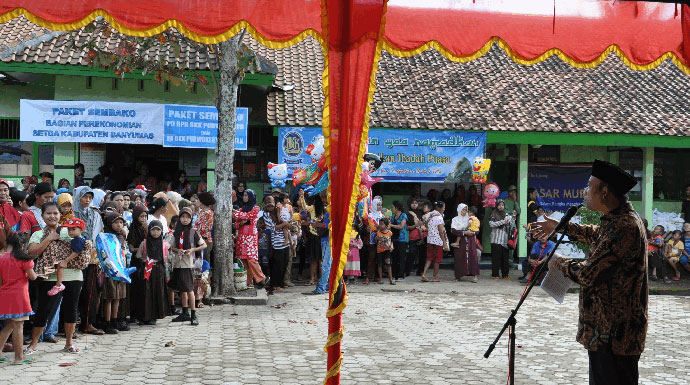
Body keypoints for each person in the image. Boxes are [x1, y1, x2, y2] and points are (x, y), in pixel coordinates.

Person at [533, 159, 647, 385]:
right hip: (606, 331)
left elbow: (588, 274)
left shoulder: (624, 226)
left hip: (615, 335)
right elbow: (596, 234)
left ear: (604, 192)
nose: (585, 192)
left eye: (589, 186)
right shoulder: (616, 220)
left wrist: (558, 262)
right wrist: (560, 226)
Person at [26, 202, 84, 355]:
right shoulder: (38, 234)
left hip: (73, 275)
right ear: (42, 215)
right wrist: (49, 239)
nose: (52, 216)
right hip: (49, 277)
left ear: (60, 215)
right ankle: (33, 344)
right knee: (43, 310)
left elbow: (81, 247)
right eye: (48, 213)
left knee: (71, 309)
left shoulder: (69, 230)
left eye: (55, 213)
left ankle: (69, 343)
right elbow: (32, 252)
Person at [0, 232, 36, 364]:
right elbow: (32, 277)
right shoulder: (25, 259)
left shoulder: (1, 258)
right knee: (18, 326)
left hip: (5, 293)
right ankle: (19, 357)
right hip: (19, 295)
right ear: (22, 244)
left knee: (10, 324)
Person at [169, 207, 205, 326]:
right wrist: (177, 250)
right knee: (182, 289)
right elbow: (171, 247)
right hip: (177, 264)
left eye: (187, 217)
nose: (185, 219)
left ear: (191, 219)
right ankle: (185, 312)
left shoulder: (193, 232)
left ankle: (193, 314)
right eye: (183, 217)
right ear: (179, 218)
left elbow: (203, 245)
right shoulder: (176, 232)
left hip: (187, 264)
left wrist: (192, 250)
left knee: (189, 289)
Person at [133, 220, 171, 325]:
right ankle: (144, 316)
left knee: (157, 292)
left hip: (158, 270)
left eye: (158, 230)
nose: (155, 232)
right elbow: (139, 256)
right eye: (153, 229)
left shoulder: (164, 244)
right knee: (145, 292)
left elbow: (166, 257)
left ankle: (154, 316)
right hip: (146, 270)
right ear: (149, 231)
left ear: (162, 231)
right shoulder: (144, 243)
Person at [101, 212, 129, 334]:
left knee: (118, 297)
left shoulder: (122, 236)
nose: (119, 225)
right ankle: (107, 322)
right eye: (116, 222)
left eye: (121, 223)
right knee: (109, 297)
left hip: (121, 271)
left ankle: (114, 320)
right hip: (110, 271)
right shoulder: (105, 236)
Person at [47, 218, 89, 296]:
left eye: (73, 229)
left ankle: (58, 284)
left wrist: (66, 261)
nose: (70, 231)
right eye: (69, 229)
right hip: (77, 272)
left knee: (60, 265)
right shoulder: (81, 238)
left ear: (81, 230)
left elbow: (76, 252)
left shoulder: (78, 240)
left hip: (74, 267)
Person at [233, 189, 266, 287]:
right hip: (241, 237)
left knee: (251, 259)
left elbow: (248, 216)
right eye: (244, 195)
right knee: (243, 260)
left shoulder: (256, 208)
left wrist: (239, 216)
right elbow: (236, 224)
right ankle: (248, 282)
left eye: (247, 195)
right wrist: (242, 220)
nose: (244, 197)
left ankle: (261, 279)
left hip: (251, 237)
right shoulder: (241, 209)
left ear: (251, 197)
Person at [263, 195, 289, 292]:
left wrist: (285, 224)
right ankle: (275, 284)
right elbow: (273, 228)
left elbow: (287, 222)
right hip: (276, 243)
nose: (270, 208)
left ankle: (280, 284)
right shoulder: (266, 215)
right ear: (265, 206)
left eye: (272, 206)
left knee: (284, 264)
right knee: (276, 265)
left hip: (285, 242)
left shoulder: (278, 211)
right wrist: (285, 224)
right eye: (268, 206)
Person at [450, 203, 480, 283]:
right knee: (459, 257)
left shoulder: (470, 218)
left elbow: (476, 229)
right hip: (461, 241)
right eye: (463, 209)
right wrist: (464, 233)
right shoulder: (455, 219)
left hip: (471, 240)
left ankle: (475, 276)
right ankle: (458, 276)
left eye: (466, 210)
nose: (464, 211)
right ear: (459, 210)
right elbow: (453, 230)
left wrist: (473, 233)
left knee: (473, 256)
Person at [421, 201, 449, 282]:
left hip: (430, 239)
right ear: (439, 208)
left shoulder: (430, 214)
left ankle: (424, 273)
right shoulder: (439, 218)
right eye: (443, 207)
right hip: (437, 241)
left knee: (429, 258)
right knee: (437, 259)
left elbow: (425, 224)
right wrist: (444, 243)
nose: (444, 209)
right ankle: (435, 277)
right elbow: (441, 232)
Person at [488, 200, 514, 280]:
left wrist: (513, 218)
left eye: (502, 205)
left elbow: (512, 225)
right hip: (496, 239)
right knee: (496, 258)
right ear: (496, 206)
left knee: (505, 258)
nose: (501, 206)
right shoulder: (493, 214)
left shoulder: (506, 215)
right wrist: (503, 222)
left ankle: (505, 275)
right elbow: (491, 224)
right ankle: (495, 275)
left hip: (504, 240)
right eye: (499, 205)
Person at [406, 199, 426, 277]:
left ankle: (420, 271)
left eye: (416, 203)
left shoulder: (421, 213)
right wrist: (416, 225)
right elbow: (407, 227)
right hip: (413, 236)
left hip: (422, 236)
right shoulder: (407, 214)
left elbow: (424, 223)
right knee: (412, 253)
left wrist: (420, 224)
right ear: (410, 204)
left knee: (422, 255)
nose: (414, 204)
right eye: (412, 203)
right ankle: (407, 271)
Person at [390, 200, 408, 280]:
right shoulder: (393, 217)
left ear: (396, 208)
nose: (392, 209)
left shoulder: (403, 215)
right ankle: (394, 274)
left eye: (393, 207)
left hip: (402, 239)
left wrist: (391, 225)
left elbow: (401, 226)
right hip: (395, 239)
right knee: (395, 257)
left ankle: (401, 274)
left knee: (401, 257)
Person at [375, 218, 395, 285]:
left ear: (386, 225)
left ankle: (391, 279)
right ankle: (380, 279)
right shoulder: (378, 233)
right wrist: (376, 238)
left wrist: (392, 247)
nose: (380, 225)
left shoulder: (390, 233)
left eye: (382, 224)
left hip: (387, 251)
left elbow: (392, 241)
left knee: (388, 265)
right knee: (380, 264)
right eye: (379, 224)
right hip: (379, 251)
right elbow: (375, 242)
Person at [196, 192, 215, 263]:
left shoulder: (208, 213)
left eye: (198, 200)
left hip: (205, 240)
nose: (197, 201)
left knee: (205, 260)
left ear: (202, 202)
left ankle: (206, 274)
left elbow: (207, 228)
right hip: (199, 239)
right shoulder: (201, 212)